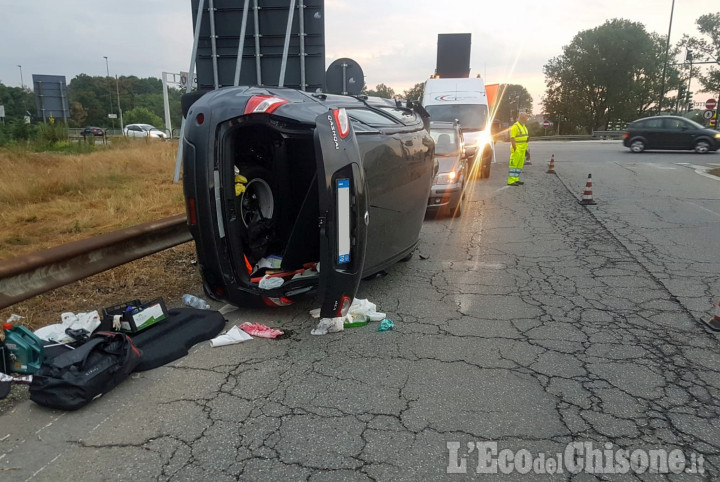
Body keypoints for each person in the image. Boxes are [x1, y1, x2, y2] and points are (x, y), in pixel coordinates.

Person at [508, 112, 529, 186]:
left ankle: (516, 179)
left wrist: (526, 149)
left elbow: (525, 138)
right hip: (517, 150)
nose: (527, 119)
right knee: (513, 166)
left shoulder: (524, 126)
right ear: (522, 118)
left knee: (519, 166)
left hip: (522, 150)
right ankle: (511, 181)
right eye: (526, 117)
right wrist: (515, 149)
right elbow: (512, 138)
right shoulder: (515, 126)